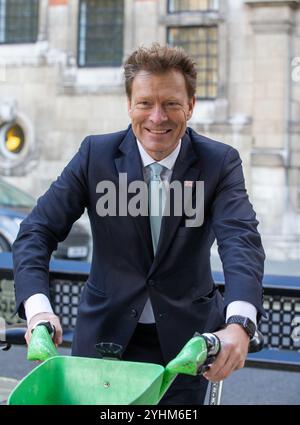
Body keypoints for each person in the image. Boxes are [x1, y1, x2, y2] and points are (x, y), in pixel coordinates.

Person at [13, 43, 265, 405]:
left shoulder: (220, 162)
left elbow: (241, 241)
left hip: (186, 350)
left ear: (190, 106)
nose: (157, 117)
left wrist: (239, 324)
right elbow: (36, 232)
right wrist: (39, 312)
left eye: (172, 103)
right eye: (145, 102)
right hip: (102, 346)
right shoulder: (94, 156)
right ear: (129, 105)